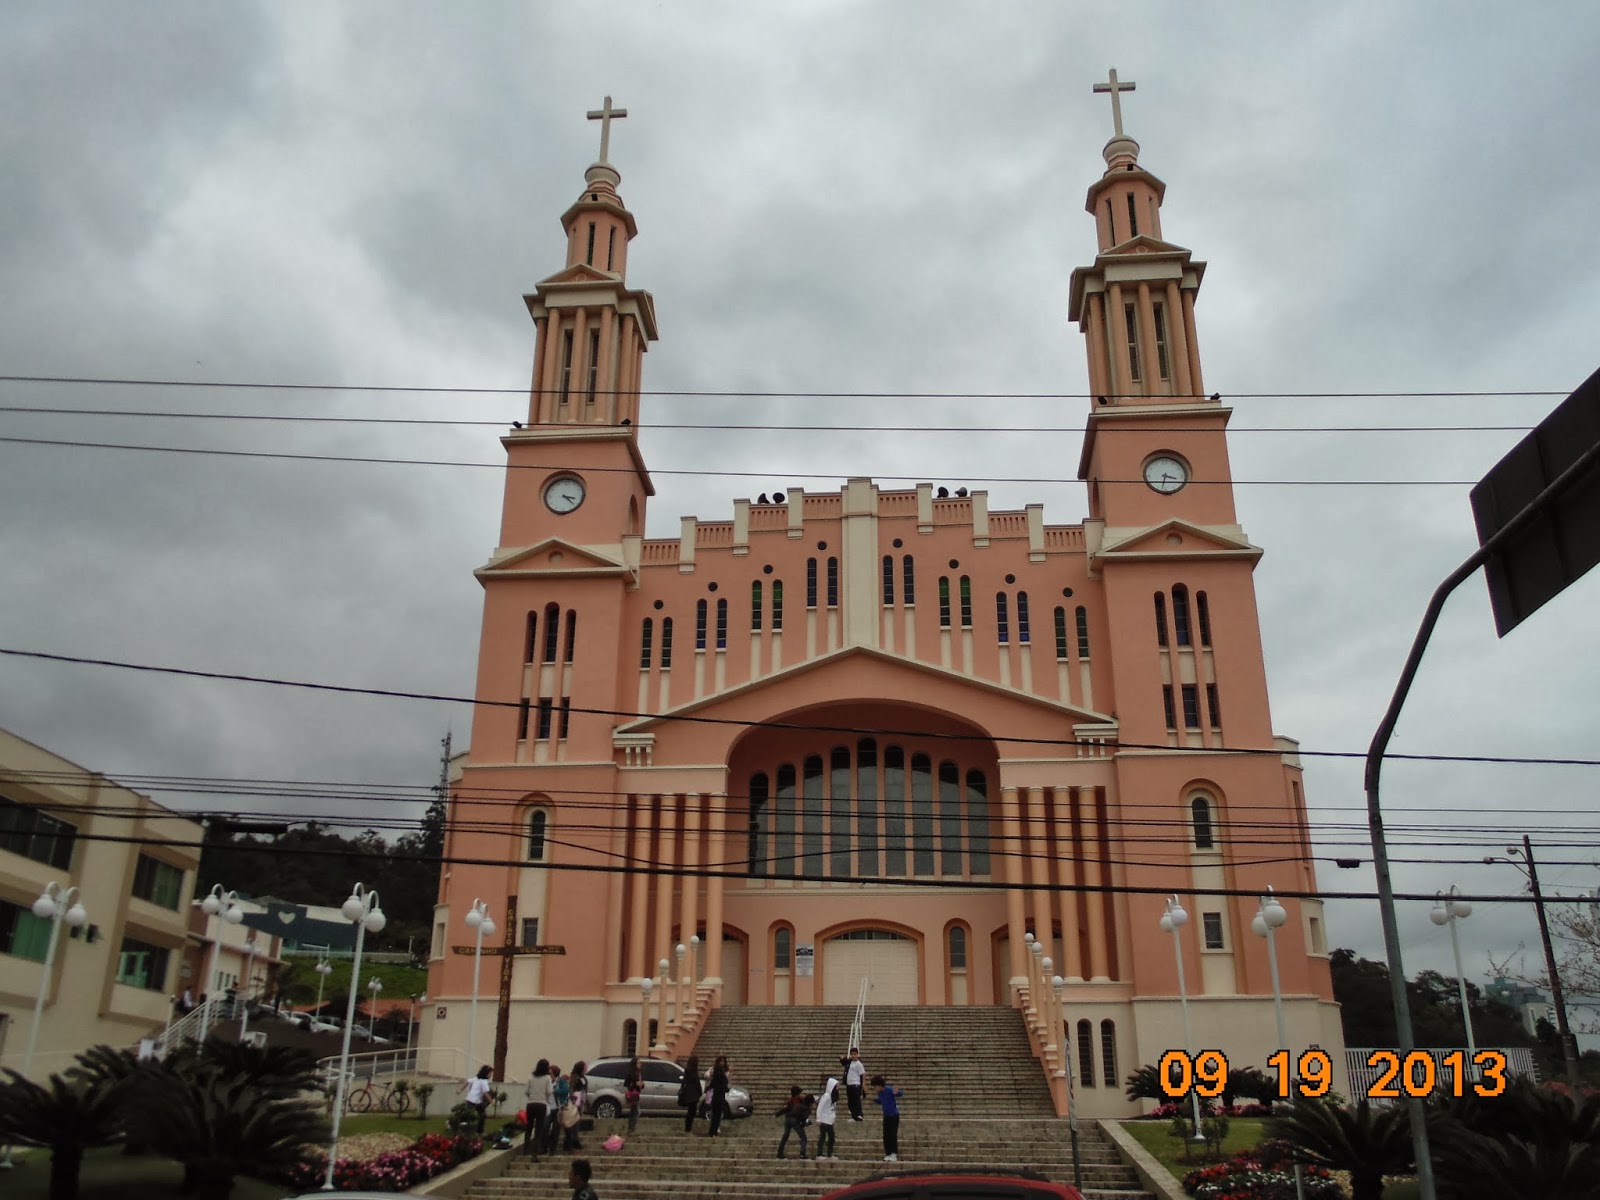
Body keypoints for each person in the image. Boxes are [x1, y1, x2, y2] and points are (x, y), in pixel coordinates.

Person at [775, 1084, 813, 1160]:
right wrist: (804, 1123)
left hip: (789, 1118)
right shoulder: (794, 1101)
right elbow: (802, 1116)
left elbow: (787, 1109)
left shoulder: (799, 1100)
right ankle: (802, 1154)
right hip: (794, 1120)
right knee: (803, 1137)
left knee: (785, 1136)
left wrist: (779, 1113)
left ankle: (780, 1153)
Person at [524, 1057, 552, 1159]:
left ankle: (525, 1149)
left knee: (529, 1127)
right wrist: (545, 1099)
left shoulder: (531, 1077)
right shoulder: (547, 1078)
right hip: (541, 1104)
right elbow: (549, 1091)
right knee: (538, 1129)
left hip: (531, 1104)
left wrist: (532, 1097)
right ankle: (535, 1154)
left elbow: (526, 1091)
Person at [871, 1073, 902, 1162]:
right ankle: (888, 1153)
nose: (875, 1089)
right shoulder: (880, 1093)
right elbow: (882, 1101)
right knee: (886, 1135)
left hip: (894, 1116)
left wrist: (897, 1092)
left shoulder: (888, 1090)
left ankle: (894, 1153)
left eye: (875, 1086)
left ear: (880, 1085)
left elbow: (900, 1093)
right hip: (886, 1116)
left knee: (892, 1135)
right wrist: (875, 1099)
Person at [813, 1073, 840, 1161]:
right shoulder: (826, 1096)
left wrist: (833, 1118)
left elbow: (832, 1109)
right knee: (823, 1137)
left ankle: (829, 1154)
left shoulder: (833, 1097)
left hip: (829, 1120)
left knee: (831, 1137)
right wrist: (818, 1118)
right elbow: (819, 1107)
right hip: (823, 1120)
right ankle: (819, 1154)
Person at [462, 1065, 493, 1134]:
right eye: (490, 1073)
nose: (491, 1075)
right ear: (486, 1073)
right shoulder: (484, 1081)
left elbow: (467, 1082)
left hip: (471, 1100)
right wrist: (491, 1102)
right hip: (474, 1101)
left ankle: (478, 1131)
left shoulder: (476, 1078)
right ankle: (473, 1131)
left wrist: (460, 1090)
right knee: (473, 1116)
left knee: (480, 1115)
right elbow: (485, 1093)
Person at [706, 1054, 731, 1138]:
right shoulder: (722, 1076)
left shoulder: (715, 1075)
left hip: (715, 1096)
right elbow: (725, 1086)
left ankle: (712, 1131)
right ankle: (714, 1131)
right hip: (720, 1097)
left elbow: (712, 1084)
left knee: (715, 1115)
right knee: (717, 1115)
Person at [678, 1054, 703, 1133]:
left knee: (691, 1111)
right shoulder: (693, 1071)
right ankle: (688, 1127)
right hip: (693, 1094)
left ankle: (688, 1127)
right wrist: (699, 1091)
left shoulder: (687, 1070)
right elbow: (696, 1082)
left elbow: (684, 1081)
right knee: (692, 1111)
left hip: (690, 1093)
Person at [844, 1047, 867, 1121]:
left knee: (856, 1100)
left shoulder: (858, 1064)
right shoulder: (850, 1063)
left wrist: (863, 1084)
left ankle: (859, 1114)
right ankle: (853, 1115)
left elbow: (863, 1074)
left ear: (857, 1055)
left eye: (855, 1054)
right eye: (852, 1054)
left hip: (855, 1084)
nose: (853, 1056)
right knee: (850, 1101)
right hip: (849, 1084)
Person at [622, 1057, 643, 1134]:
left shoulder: (639, 1073)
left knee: (634, 1111)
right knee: (636, 1112)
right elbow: (626, 1083)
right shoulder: (631, 1072)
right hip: (632, 1094)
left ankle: (631, 1128)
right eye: (638, 1063)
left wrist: (641, 1084)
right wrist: (635, 1084)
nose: (640, 1065)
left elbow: (640, 1084)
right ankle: (631, 1128)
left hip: (637, 1093)